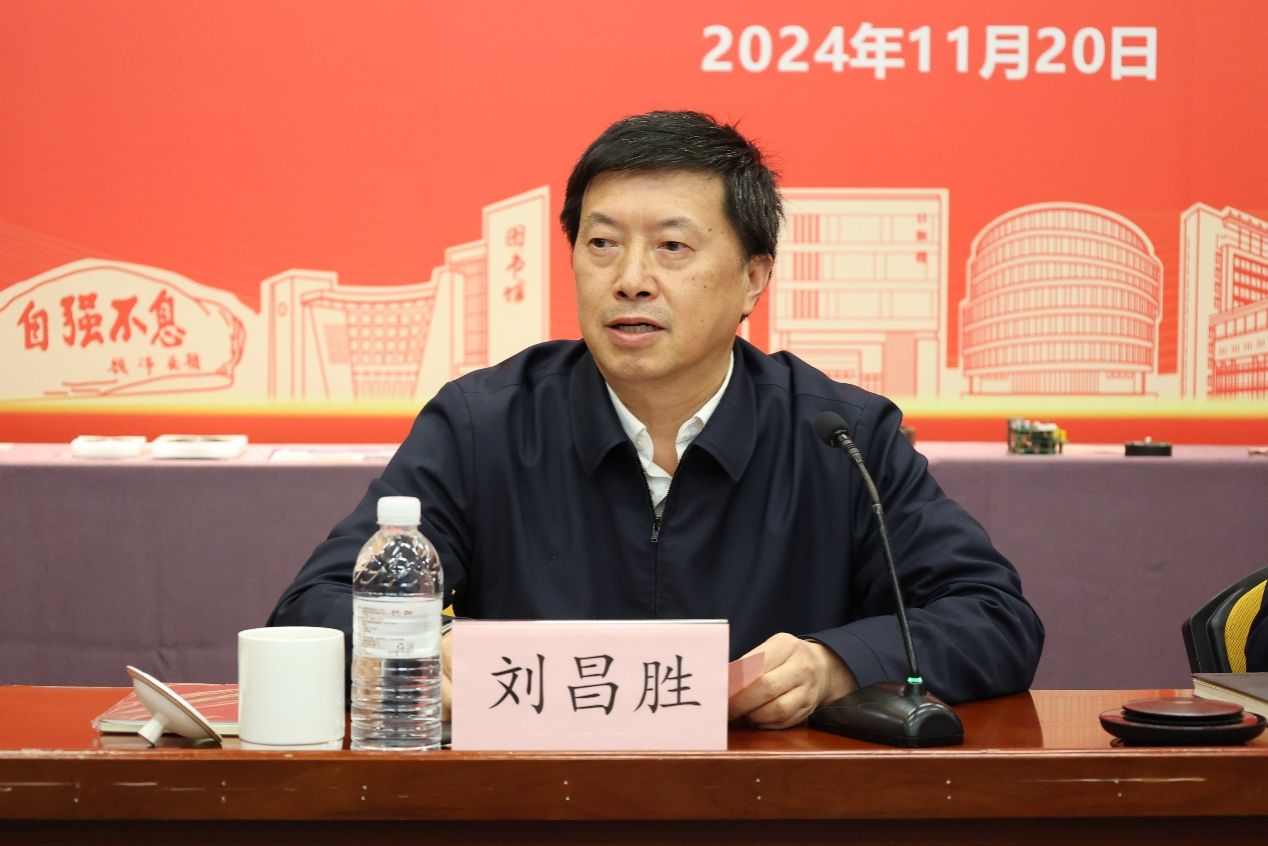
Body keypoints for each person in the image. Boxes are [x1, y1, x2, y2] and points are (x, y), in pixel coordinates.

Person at [269, 110, 1044, 729]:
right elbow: (314, 607)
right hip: (535, 805)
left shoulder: (841, 436)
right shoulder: (484, 425)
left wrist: (835, 664)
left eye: (672, 247)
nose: (630, 279)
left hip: (767, 809)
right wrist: (423, 649)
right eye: (602, 244)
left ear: (753, 278)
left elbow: (993, 617)